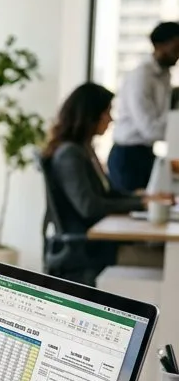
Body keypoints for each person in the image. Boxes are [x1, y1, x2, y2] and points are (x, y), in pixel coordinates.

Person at [41, 82, 171, 282]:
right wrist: (142, 203)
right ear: (91, 115)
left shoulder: (83, 150)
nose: (111, 119)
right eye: (107, 112)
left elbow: (105, 193)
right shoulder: (70, 154)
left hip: (98, 245)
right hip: (89, 250)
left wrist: (143, 198)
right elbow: (89, 206)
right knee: (168, 260)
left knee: (165, 255)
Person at [107, 20, 179, 192]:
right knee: (133, 206)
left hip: (146, 153)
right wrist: (173, 128)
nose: (178, 54)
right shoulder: (141, 77)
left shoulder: (164, 76)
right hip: (127, 156)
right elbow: (150, 129)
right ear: (159, 45)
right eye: (176, 48)